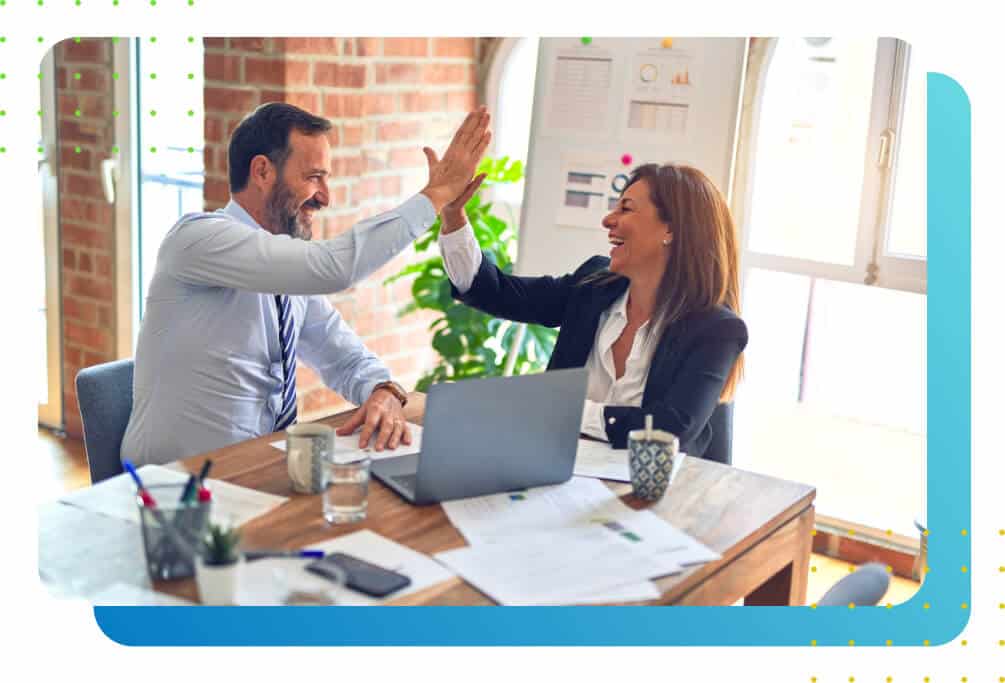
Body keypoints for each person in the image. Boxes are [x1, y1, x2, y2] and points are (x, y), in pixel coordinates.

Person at [121, 102, 490, 466]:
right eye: (314, 177)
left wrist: (384, 390)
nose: (325, 197)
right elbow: (334, 267)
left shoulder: (286, 273)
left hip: (258, 472)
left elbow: (343, 356)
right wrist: (436, 195)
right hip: (174, 488)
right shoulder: (198, 239)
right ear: (263, 171)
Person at [438, 163, 747, 460]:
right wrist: (453, 216)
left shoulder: (716, 329)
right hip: (558, 471)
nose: (608, 220)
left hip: (655, 494)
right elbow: (495, 292)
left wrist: (564, 409)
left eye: (626, 208)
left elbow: (670, 429)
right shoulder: (594, 286)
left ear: (671, 229)